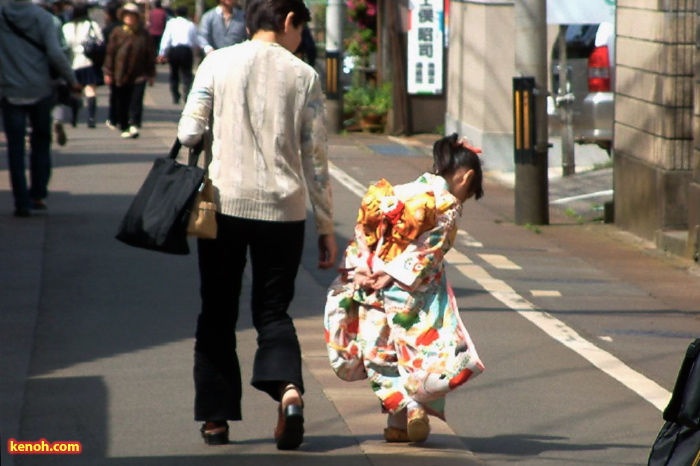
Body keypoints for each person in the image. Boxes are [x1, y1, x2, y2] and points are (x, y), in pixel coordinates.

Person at [177, 0, 336, 450]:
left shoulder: (216, 62)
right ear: (288, 22)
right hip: (284, 212)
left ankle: (215, 418)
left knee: (218, 310)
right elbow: (317, 159)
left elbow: (190, 131)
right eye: (301, 29)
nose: (300, 38)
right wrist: (326, 225)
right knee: (273, 311)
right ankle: (288, 392)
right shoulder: (304, 75)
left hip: (224, 207)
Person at [324, 133, 486, 444]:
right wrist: (393, 274)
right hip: (417, 294)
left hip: (371, 284)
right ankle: (413, 406)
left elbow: (364, 230)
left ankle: (397, 421)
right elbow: (431, 250)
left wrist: (363, 269)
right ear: (466, 178)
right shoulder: (446, 204)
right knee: (421, 354)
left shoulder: (397, 193)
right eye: (470, 191)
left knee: (379, 353)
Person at [0, 0, 82, 217]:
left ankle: (21, 201)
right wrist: (72, 80)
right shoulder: (43, 17)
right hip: (40, 89)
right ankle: (37, 194)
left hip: (9, 89)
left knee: (15, 148)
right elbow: (56, 53)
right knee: (41, 142)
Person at [103, 3, 156, 139]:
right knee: (122, 101)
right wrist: (108, 72)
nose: (130, 19)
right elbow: (110, 53)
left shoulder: (143, 34)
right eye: (127, 16)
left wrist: (151, 74)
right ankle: (124, 125)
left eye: (133, 16)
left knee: (136, 100)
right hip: (119, 73)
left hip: (139, 74)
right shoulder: (117, 32)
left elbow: (150, 54)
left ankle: (134, 123)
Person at [62, 2, 104, 128]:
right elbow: (100, 41)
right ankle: (91, 118)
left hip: (72, 62)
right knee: (90, 90)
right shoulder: (92, 25)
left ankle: (73, 117)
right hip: (88, 61)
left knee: (76, 91)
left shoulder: (66, 27)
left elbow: (64, 45)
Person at [157, 5, 198, 104]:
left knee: (174, 73)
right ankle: (187, 93)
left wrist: (162, 52)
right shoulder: (190, 24)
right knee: (187, 74)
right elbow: (194, 40)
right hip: (186, 50)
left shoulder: (171, 23)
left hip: (174, 50)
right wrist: (195, 52)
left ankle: (175, 95)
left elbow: (166, 38)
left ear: (176, 13)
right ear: (187, 14)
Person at [101, 0, 122, 129]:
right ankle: (123, 117)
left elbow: (103, 49)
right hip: (125, 64)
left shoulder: (107, 30)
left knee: (114, 93)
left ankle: (113, 117)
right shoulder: (125, 28)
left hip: (112, 64)